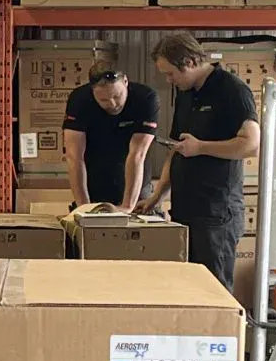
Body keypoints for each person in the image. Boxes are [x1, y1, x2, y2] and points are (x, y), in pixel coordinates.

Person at [139, 32, 259, 284]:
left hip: (215, 214)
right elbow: (177, 148)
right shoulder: (186, 93)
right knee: (189, 287)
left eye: (171, 73)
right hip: (185, 210)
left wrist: (201, 147)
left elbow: (251, 144)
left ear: (190, 62)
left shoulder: (232, 90)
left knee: (213, 289)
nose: (169, 80)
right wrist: (157, 196)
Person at [64, 62, 158, 212]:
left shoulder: (145, 98)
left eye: (117, 96)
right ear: (92, 91)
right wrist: (83, 208)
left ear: (125, 82)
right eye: (104, 100)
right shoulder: (79, 100)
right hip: (94, 183)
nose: (113, 104)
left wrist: (127, 206)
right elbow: (74, 157)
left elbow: (137, 154)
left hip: (136, 186)